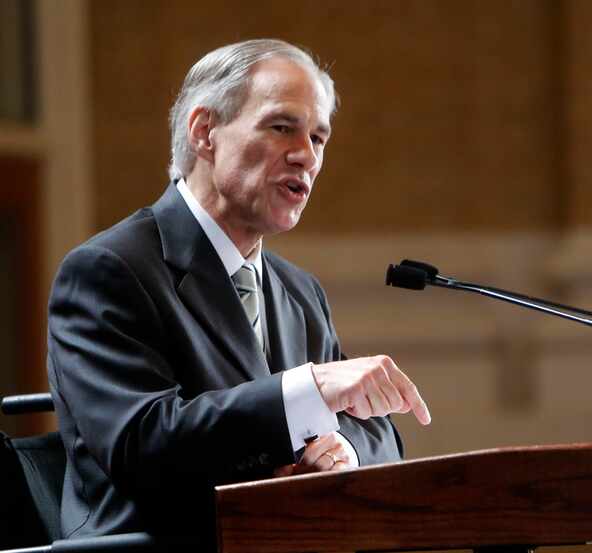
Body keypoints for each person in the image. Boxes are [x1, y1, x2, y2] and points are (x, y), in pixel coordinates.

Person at [46, 39, 430, 547]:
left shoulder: (300, 292)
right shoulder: (108, 271)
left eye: (319, 137)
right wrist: (305, 391)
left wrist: (343, 452)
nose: (306, 156)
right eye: (281, 127)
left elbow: (376, 431)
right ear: (205, 132)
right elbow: (144, 444)